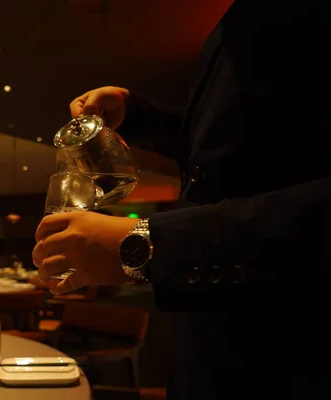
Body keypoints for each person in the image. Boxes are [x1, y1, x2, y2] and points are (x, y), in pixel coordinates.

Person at [33, 1, 330, 399]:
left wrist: (149, 244)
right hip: (212, 343)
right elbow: (249, 142)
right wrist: (141, 116)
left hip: (292, 353)